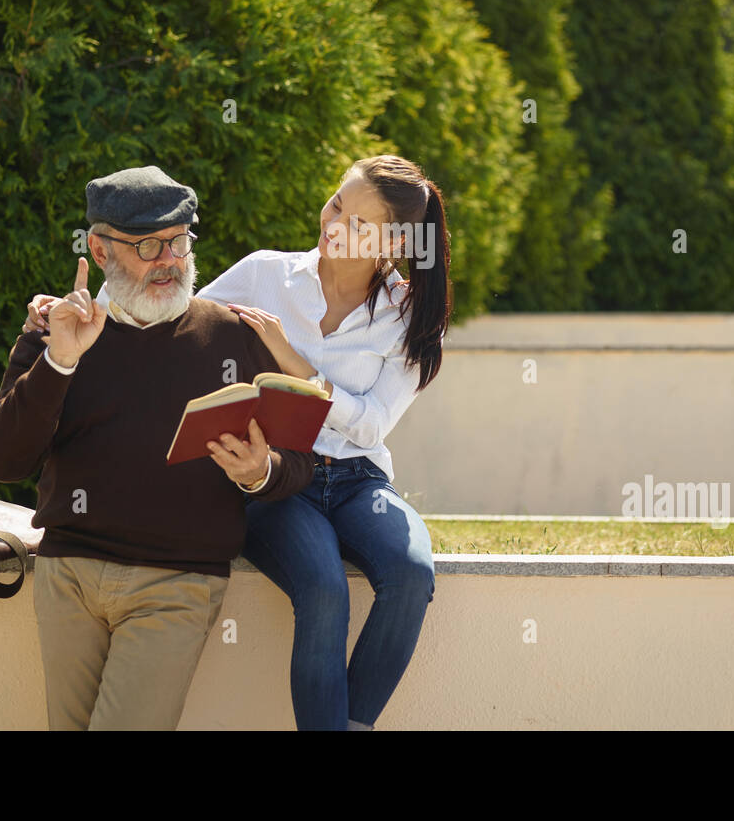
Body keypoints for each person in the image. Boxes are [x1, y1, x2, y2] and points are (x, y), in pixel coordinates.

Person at [25, 155, 452, 730]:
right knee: (324, 589)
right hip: (274, 479)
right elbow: (167, 318)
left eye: (356, 225)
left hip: (357, 480)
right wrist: (64, 311)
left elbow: (373, 425)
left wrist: (298, 368)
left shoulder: (409, 316)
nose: (332, 225)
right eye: (335, 205)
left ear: (395, 243)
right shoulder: (265, 275)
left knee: (412, 572)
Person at [0, 165, 315, 731]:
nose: (170, 261)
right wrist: (59, 361)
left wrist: (261, 472)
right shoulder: (54, 331)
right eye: (149, 245)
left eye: (180, 242)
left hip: (178, 581)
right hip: (69, 576)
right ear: (100, 250)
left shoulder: (235, 336)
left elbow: (301, 460)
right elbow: (2, 461)